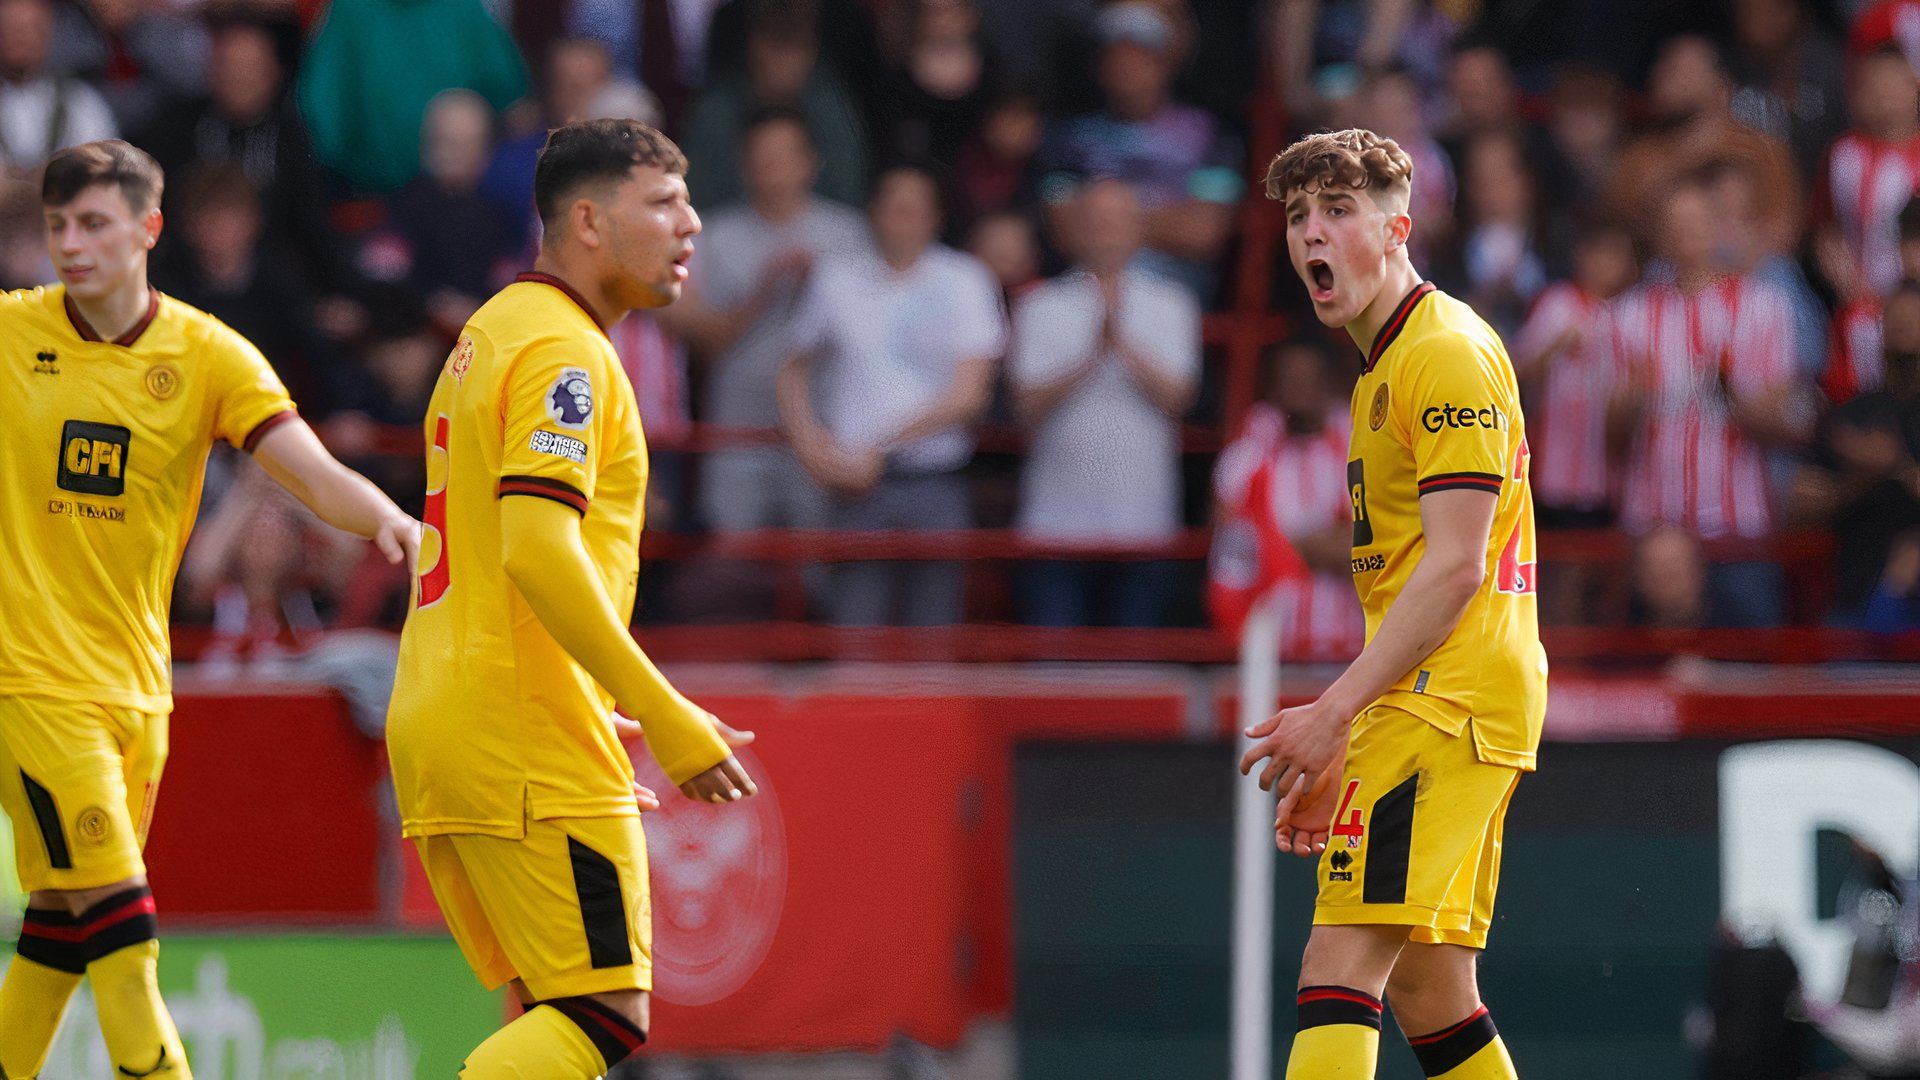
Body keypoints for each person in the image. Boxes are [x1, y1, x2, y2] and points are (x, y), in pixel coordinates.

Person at [0, 140, 421, 1078]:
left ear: (148, 230)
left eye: (94, 223)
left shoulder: (206, 355)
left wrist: (392, 518)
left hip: (138, 690)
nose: (71, 243)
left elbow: (306, 468)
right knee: (121, 920)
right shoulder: (9, 332)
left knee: (65, 927)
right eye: (58, 224)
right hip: (28, 684)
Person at [385, 119, 758, 1077]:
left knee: (551, 1005)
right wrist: (663, 713)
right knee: (603, 1015)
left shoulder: (494, 330)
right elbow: (540, 553)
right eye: (666, 203)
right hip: (519, 735)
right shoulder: (565, 355)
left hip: (461, 718)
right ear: (588, 221)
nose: (694, 225)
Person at [1241, 128, 1545, 1080]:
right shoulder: (1384, 369)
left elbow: (1456, 569)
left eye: (1338, 211)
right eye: (1298, 217)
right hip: (1440, 699)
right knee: (1429, 988)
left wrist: (1335, 718)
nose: (1312, 235)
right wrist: (1357, 726)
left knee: (1339, 963)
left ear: (1397, 228)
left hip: (1445, 700)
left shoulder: (1445, 353)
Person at [778, 162, 1005, 625]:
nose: (904, 219)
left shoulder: (965, 280)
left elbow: (970, 394)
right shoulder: (837, 277)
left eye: (915, 209)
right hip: (853, 485)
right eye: (894, 208)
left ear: (935, 217)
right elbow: (791, 368)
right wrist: (808, 444)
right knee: (853, 630)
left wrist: (875, 447)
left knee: (934, 634)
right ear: (874, 214)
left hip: (935, 478)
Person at [1010, 178, 1199, 627]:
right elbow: (1024, 404)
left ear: (1139, 229)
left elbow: (1180, 398)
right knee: (1054, 675)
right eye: (1094, 222)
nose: (1106, 232)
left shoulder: (1171, 303)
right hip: (1055, 521)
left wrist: (1124, 347)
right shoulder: (1041, 304)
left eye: (1117, 222)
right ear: (1072, 230)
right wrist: (1089, 357)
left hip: (1143, 517)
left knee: (1134, 677)